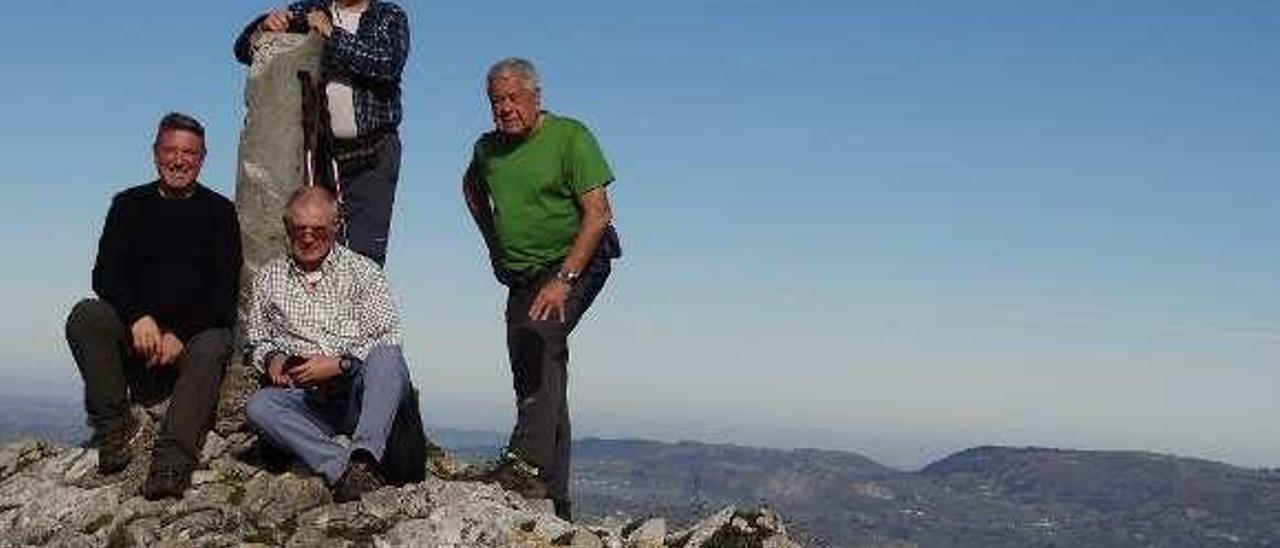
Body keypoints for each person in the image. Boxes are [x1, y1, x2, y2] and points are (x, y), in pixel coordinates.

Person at [462, 58, 621, 521]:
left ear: (536, 97)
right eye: (496, 101)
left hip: (579, 262)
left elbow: (598, 214)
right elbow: (472, 189)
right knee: (537, 371)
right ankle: (556, 501)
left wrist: (563, 280)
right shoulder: (487, 149)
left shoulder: (570, 137)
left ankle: (526, 466)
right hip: (522, 274)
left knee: (539, 335)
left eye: (513, 98)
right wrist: (494, 245)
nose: (505, 109)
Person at [65, 113, 242, 500]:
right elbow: (106, 275)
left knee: (214, 343)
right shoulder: (128, 205)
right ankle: (114, 431)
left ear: (203, 158)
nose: (179, 160)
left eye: (189, 153)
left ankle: (172, 463)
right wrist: (138, 315)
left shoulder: (220, 213)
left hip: (189, 343)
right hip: (136, 335)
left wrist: (181, 333)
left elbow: (223, 291)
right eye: (170, 150)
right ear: (155, 153)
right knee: (86, 315)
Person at [243, 185, 420, 502]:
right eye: (299, 229)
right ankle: (344, 470)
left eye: (318, 230)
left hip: (358, 392)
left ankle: (365, 458)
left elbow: (387, 337)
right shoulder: (269, 278)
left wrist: (340, 363)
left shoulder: (364, 272)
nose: (308, 238)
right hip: (307, 397)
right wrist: (272, 359)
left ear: (335, 227)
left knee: (388, 357)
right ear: (287, 228)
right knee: (259, 406)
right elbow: (256, 338)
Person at [234, 0, 410, 266]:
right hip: (322, 157)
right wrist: (263, 26)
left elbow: (386, 64)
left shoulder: (389, 15)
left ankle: (358, 307)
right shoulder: (310, 9)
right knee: (315, 247)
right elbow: (243, 50)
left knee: (363, 256)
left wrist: (331, 33)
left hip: (373, 156)